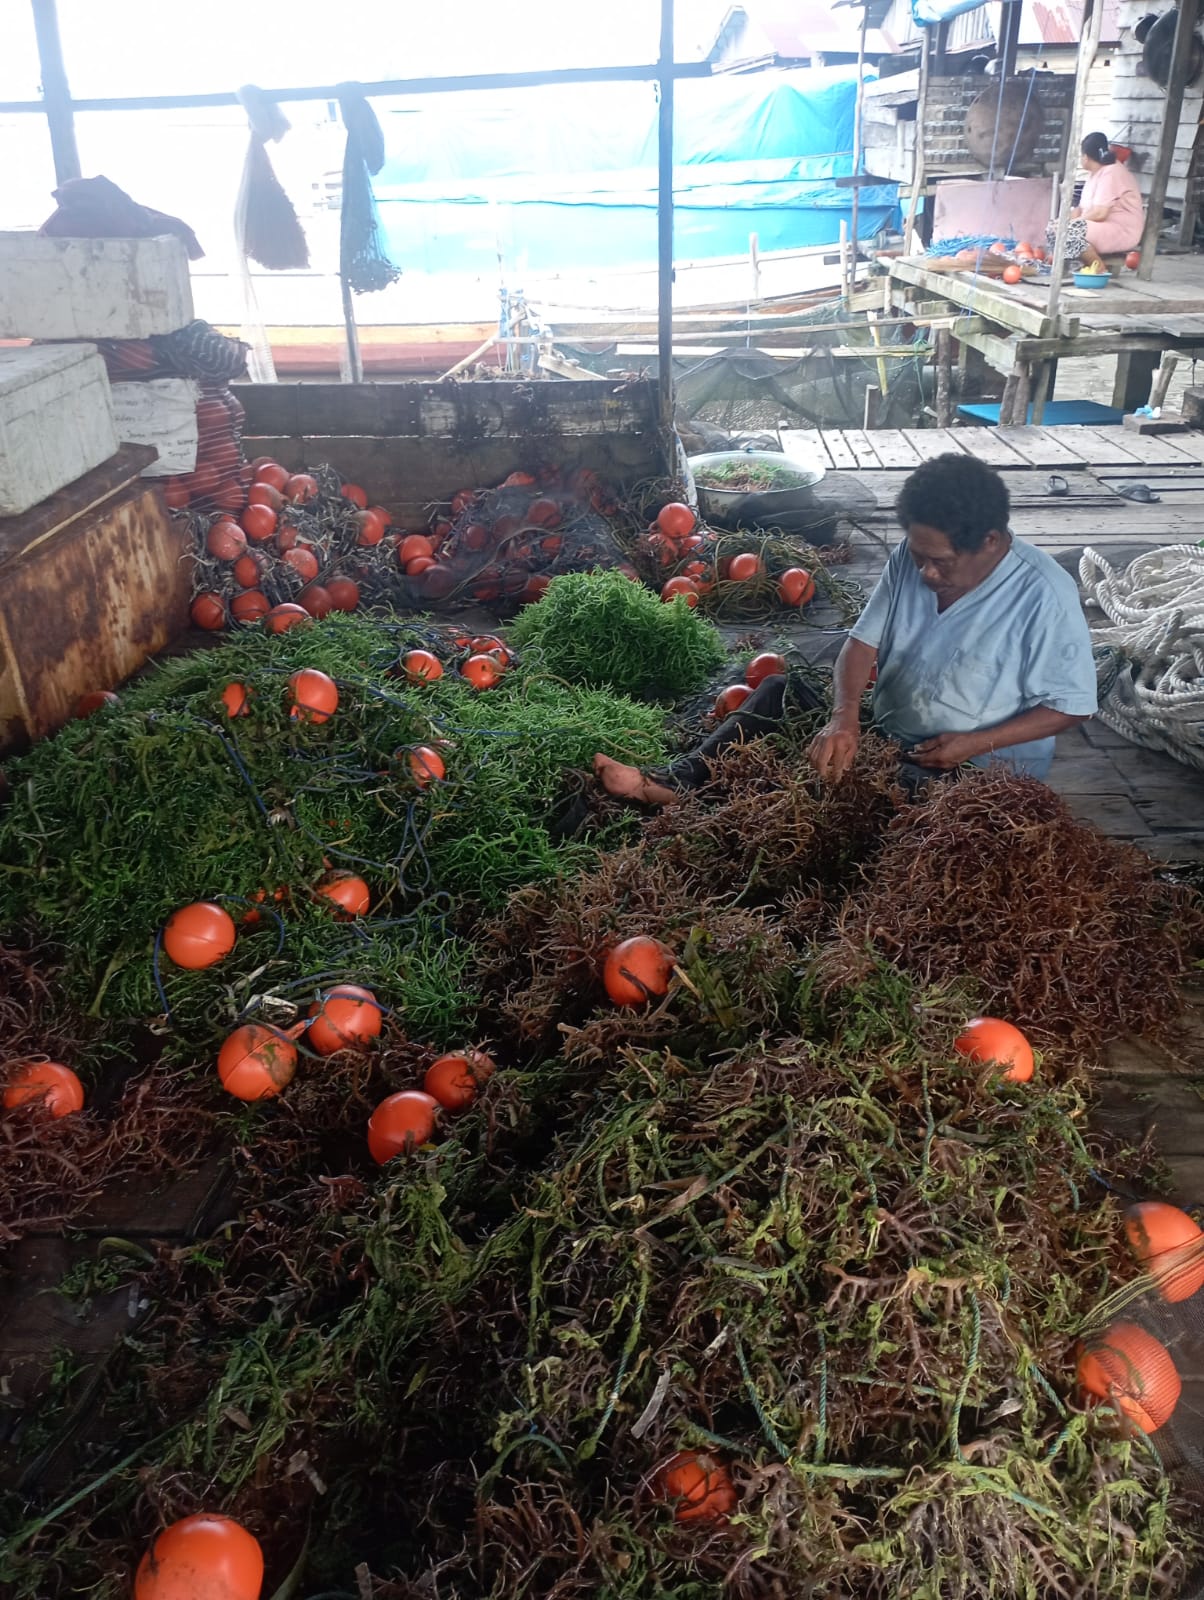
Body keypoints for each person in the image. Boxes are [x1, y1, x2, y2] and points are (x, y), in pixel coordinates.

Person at [593, 453, 1097, 805]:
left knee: (854, 797)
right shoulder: (912, 557)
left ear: (990, 541)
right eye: (918, 558)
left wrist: (974, 744)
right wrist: (844, 717)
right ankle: (673, 785)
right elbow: (861, 643)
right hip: (888, 734)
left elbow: (1071, 706)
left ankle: (723, 810)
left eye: (939, 563)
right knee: (776, 692)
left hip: (975, 769)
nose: (925, 574)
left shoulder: (1044, 595)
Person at [1045, 133, 1145, 267]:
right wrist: (1062, 221)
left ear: (1085, 157)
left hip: (1122, 230)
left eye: (1081, 155)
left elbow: (1100, 213)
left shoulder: (1112, 172)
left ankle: (1097, 266)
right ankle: (1073, 265)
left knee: (1070, 230)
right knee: (1052, 228)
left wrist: (1071, 223)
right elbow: (1080, 209)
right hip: (1098, 227)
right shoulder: (1095, 172)